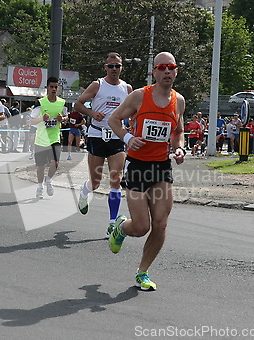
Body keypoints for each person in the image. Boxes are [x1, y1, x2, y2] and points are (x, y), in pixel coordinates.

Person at [107, 51, 186, 291]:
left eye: (171, 67)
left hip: (161, 167)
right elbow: (113, 120)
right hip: (138, 166)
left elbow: (177, 131)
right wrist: (129, 138)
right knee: (141, 227)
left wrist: (180, 148)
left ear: (176, 71)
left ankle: (142, 272)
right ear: (154, 71)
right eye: (161, 67)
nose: (166, 71)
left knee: (160, 224)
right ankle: (120, 227)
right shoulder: (139, 96)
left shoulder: (179, 100)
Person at [74, 52, 133, 238]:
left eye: (117, 65)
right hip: (97, 135)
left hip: (117, 137)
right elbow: (78, 104)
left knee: (116, 179)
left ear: (122, 67)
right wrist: (92, 114)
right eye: (111, 66)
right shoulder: (98, 84)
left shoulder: (127, 88)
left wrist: (133, 126)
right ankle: (84, 191)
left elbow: (135, 110)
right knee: (96, 181)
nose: (114, 69)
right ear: (105, 67)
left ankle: (112, 223)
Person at [28, 77, 67, 199]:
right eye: (52, 87)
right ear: (47, 88)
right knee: (41, 166)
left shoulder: (62, 103)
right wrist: (42, 119)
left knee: (55, 163)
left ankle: (48, 180)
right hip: (41, 139)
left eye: (56, 87)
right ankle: (40, 187)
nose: (54, 89)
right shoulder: (40, 103)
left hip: (54, 139)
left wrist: (63, 119)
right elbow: (31, 121)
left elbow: (66, 117)